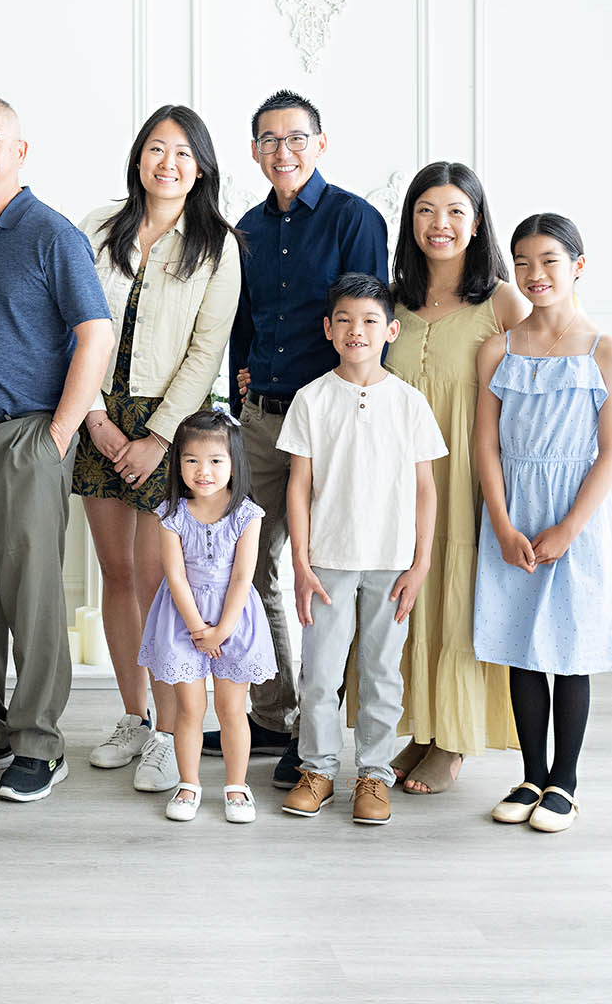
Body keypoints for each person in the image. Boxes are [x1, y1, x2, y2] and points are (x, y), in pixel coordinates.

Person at [0, 95, 113, 803]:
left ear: (20, 151)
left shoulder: (51, 234)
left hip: (28, 436)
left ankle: (38, 741)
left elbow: (93, 334)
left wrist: (59, 434)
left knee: (33, 594)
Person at [216, 89, 388, 791]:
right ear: (254, 151)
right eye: (268, 140)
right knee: (251, 569)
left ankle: (316, 735)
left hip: (332, 425)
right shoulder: (247, 228)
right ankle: (274, 708)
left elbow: (369, 320)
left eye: (295, 138)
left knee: (321, 577)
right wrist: (238, 392)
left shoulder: (355, 218)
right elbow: (241, 321)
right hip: (261, 418)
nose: (282, 151)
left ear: (320, 144)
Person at [74, 105, 241, 796]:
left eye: (181, 153)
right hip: (97, 414)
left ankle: (176, 736)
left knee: (159, 583)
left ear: (199, 166)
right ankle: (134, 718)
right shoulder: (98, 227)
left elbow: (207, 349)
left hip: (173, 425)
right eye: (154, 149)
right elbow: (71, 322)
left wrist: (159, 436)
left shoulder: (217, 243)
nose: (166, 163)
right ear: (138, 157)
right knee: (116, 574)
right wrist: (94, 420)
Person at [473, 214, 612, 835]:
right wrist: (502, 521)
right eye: (522, 263)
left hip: (576, 516)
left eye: (548, 261)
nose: (535, 274)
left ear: (577, 266)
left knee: (569, 651)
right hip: (514, 512)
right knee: (521, 646)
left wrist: (569, 528)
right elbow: (485, 446)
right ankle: (530, 772)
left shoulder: (605, 350)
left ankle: (564, 781)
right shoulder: (500, 347)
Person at [380, 162, 530, 796]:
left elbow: (547, 357)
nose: (439, 225)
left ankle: (455, 740)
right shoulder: (393, 299)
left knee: (458, 593)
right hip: (398, 473)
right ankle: (422, 728)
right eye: (425, 211)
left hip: (467, 470)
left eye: (455, 213)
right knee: (409, 598)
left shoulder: (498, 299)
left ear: (476, 223)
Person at [277, 273, 447, 827]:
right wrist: (300, 562)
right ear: (328, 330)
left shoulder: (409, 403)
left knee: (381, 671)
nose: (357, 331)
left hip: (392, 561)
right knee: (321, 673)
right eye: (345, 321)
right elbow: (298, 485)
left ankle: (374, 775)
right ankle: (318, 770)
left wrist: (420, 563)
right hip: (327, 559)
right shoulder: (312, 399)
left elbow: (426, 488)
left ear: (391, 330)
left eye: (371, 321)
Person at [135, 411, 274, 824]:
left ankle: (236, 786)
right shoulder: (171, 514)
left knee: (233, 709)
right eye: (191, 460)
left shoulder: (247, 515)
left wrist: (222, 630)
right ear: (178, 463)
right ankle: (189, 782)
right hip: (183, 619)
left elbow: (243, 577)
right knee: (189, 710)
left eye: (216, 460)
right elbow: (175, 577)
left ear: (235, 463)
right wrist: (198, 629)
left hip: (234, 619)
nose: (203, 471)